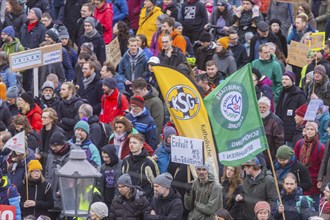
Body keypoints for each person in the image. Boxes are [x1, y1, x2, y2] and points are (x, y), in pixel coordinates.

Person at [294, 121, 325, 210]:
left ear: (316, 132)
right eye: (307, 129)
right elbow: (294, 160)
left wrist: (320, 179)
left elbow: (322, 165)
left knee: (313, 207)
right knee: (299, 207)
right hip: (300, 180)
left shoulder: (320, 147)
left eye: (312, 129)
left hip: (314, 182)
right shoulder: (299, 143)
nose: (309, 131)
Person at [121, 133, 159, 200]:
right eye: (130, 143)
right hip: (128, 200)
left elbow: (156, 184)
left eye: (134, 143)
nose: (131, 145)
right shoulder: (125, 160)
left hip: (145, 200)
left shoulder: (149, 162)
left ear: (141, 145)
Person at [276, 71, 306, 148]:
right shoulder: (282, 93)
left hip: (293, 129)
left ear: (292, 81)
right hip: (281, 127)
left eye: (286, 79)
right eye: (282, 79)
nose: (284, 81)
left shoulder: (299, 94)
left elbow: (302, 112)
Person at [44, 132, 74, 209]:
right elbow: (47, 170)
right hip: (50, 193)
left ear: (62, 145)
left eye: (55, 146)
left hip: (65, 196)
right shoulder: (50, 154)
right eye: (51, 145)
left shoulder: (72, 156)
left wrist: (61, 191)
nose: (53, 148)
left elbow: (73, 178)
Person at [20, 8, 46, 91]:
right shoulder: (24, 26)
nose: (28, 13)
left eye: (31, 12)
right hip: (23, 57)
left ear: (37, 16)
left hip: (34, 58)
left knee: (31, 81)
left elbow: (42, 43)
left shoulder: (41, 28)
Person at [258, 96, 284, 168]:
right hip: (259, 156)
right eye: (259, 107)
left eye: (264, 107)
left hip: (271, 157)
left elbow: (279, 141)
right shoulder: (257, 120)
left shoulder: (275, 121)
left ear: (268, 108)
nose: (261, 109)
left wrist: (276, 158)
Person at [98, 144, 122, 210]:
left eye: (107, 157)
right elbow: (100, 184)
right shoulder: (103, 168)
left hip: (119, 199)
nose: (104, 159)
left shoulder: (121, 165)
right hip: (106, 199)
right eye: (103, 157)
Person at [318, 124, 330, 192]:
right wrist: (320, 178)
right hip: (326, 180)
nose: (327, 129)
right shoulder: (328, 142)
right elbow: (324, 161)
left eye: (329, 127)